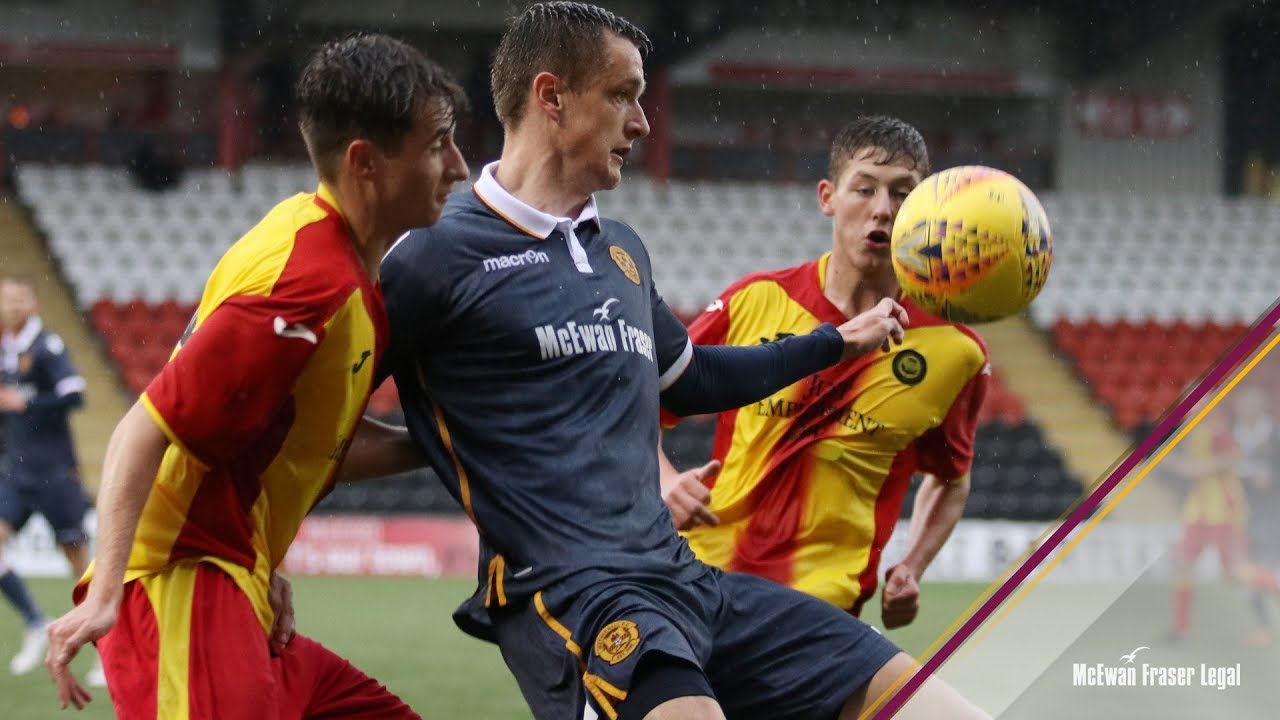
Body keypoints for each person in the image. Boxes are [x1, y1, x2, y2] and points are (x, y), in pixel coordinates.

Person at [378, 3, 988, 718]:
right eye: (623, 96)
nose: (642, 122)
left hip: (690, 579)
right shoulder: (432, 257)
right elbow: (312, 420)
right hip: (577, 595)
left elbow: (692, 378)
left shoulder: (621, 252)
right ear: (551, 98)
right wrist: (446, 443)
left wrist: (832, 342)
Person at [42, 34, 469, 717]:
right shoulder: (306, 286)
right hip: (184, 592)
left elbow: (306, 443)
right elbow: (142, 430)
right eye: (438, 144)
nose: (460, 166)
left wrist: (452, 436)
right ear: (366, 162)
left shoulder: (329, 256)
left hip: (237, 582)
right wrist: (104, 595)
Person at [657, 117, 988, 628]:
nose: (882, 208)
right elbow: (639, 400)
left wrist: (912, 566)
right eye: (865, 188)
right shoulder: (756, 300)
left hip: (824, 612)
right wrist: (663, 481)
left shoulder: (955, 351)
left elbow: (951, 478)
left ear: (922, 213)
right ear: (827, 197)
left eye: (903, 194)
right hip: (705, 581)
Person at [0, 276, 105, 684]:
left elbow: (75, 394)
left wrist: (27, 402)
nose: (10, 304)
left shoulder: (47, 346)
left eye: (17, 296)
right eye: (5, 298)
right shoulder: (6, 351)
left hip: (55, 474)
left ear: (33, 302)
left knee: (79, 564)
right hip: (15, 472)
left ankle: (107, 652)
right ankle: (33, 620)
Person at [1166, 407, 1245, 642]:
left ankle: (1262, 620)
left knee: (1233, 572)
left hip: (1221, 508)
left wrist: (1196, 468)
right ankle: (1181, 629)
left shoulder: (1216, 428)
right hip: (1197, 509)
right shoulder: (1190, 431)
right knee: (1183, 564)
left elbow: (1234, 456)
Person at [1231, 384, 1280, 646]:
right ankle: (1264, 627)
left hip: (1271, 515)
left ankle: (1265, 625)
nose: (1246, 409)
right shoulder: (1232, 434)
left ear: (1261, 408)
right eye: (1243, 404)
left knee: (1263, 571)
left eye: (1252, 404)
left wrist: (1272, 479)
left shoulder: (1274, 435)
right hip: (1241, 514)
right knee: (1248, 573)